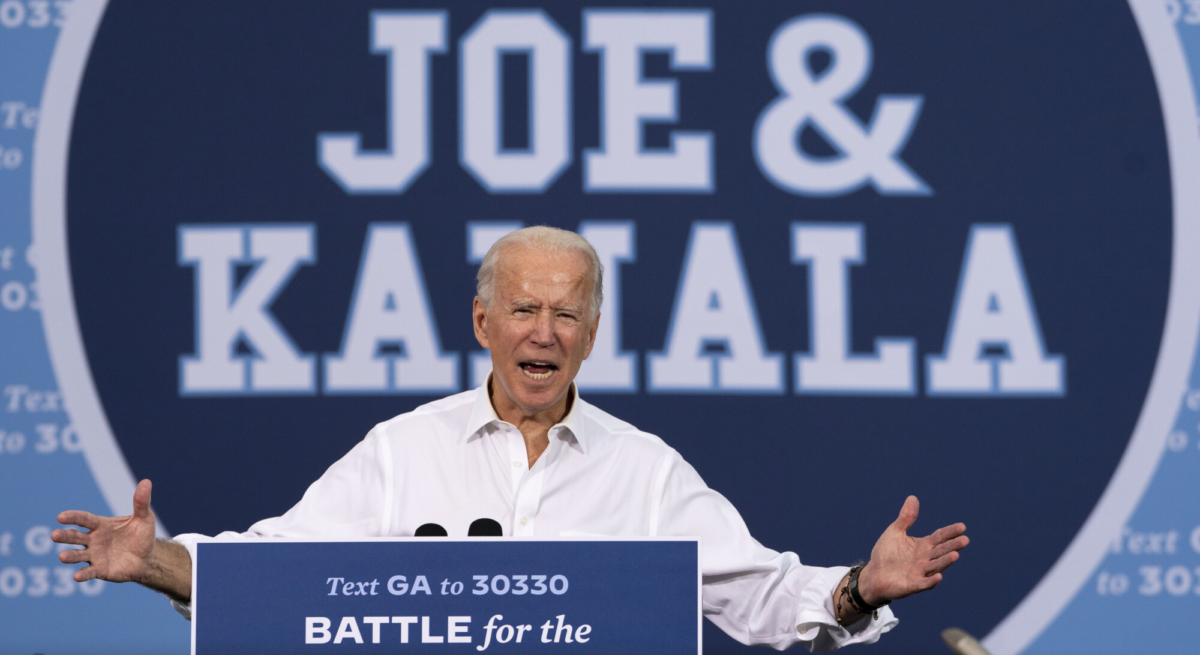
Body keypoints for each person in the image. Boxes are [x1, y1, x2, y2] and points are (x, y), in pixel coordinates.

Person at [53, 226, 968, 650]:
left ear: (594, 334)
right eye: (524, 310)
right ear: (482, 323)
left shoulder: (644, 472)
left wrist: (857, 588)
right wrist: (156, 561)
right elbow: (272, 572)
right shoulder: (403, 449)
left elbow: (762, 595)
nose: (544, 332)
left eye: (566, 315)